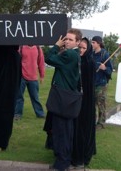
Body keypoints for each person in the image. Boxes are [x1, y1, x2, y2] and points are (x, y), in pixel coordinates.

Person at [43, 28, 82, 171]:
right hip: (67, 98)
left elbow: (48, 58)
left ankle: (62, 163)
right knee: (65, 130)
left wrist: (56, 45)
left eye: (70, 39)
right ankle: (63, 159)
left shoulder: (70, 54)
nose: (66, 41)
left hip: (63, 99)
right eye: (65, 39)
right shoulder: (75, 54)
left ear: (77, 42)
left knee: (62, 131)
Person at [71, 37, 96, 168]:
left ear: (88, 49)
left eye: (83, 48)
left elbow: (89, 86)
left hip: (85, 102)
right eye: (79, 47)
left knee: (82, 129)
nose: (81, 50)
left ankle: (81, 156)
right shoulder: (75, 60)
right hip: (75, 99)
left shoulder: (90, 62)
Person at [14, 45, 45, 120]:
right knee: (19, 97)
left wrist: (42, 76)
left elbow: (41, 62)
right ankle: (17, 114)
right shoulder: (21, 48)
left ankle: (40, 114)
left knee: (35, 97)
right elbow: (16, 62)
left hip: (33, 78)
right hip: (21, 77)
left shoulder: (38, 48)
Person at [91, 36, 113, 130]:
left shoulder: (105, 55)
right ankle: (92, 121)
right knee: (91, 104)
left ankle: (101, 123)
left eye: (93, 42)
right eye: (91, 42)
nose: (92, 44)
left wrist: (104, 68)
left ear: (98, 43)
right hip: (91, 82)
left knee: (101, 104)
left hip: (101, 84)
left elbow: (110, 70)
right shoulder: (91, 54)